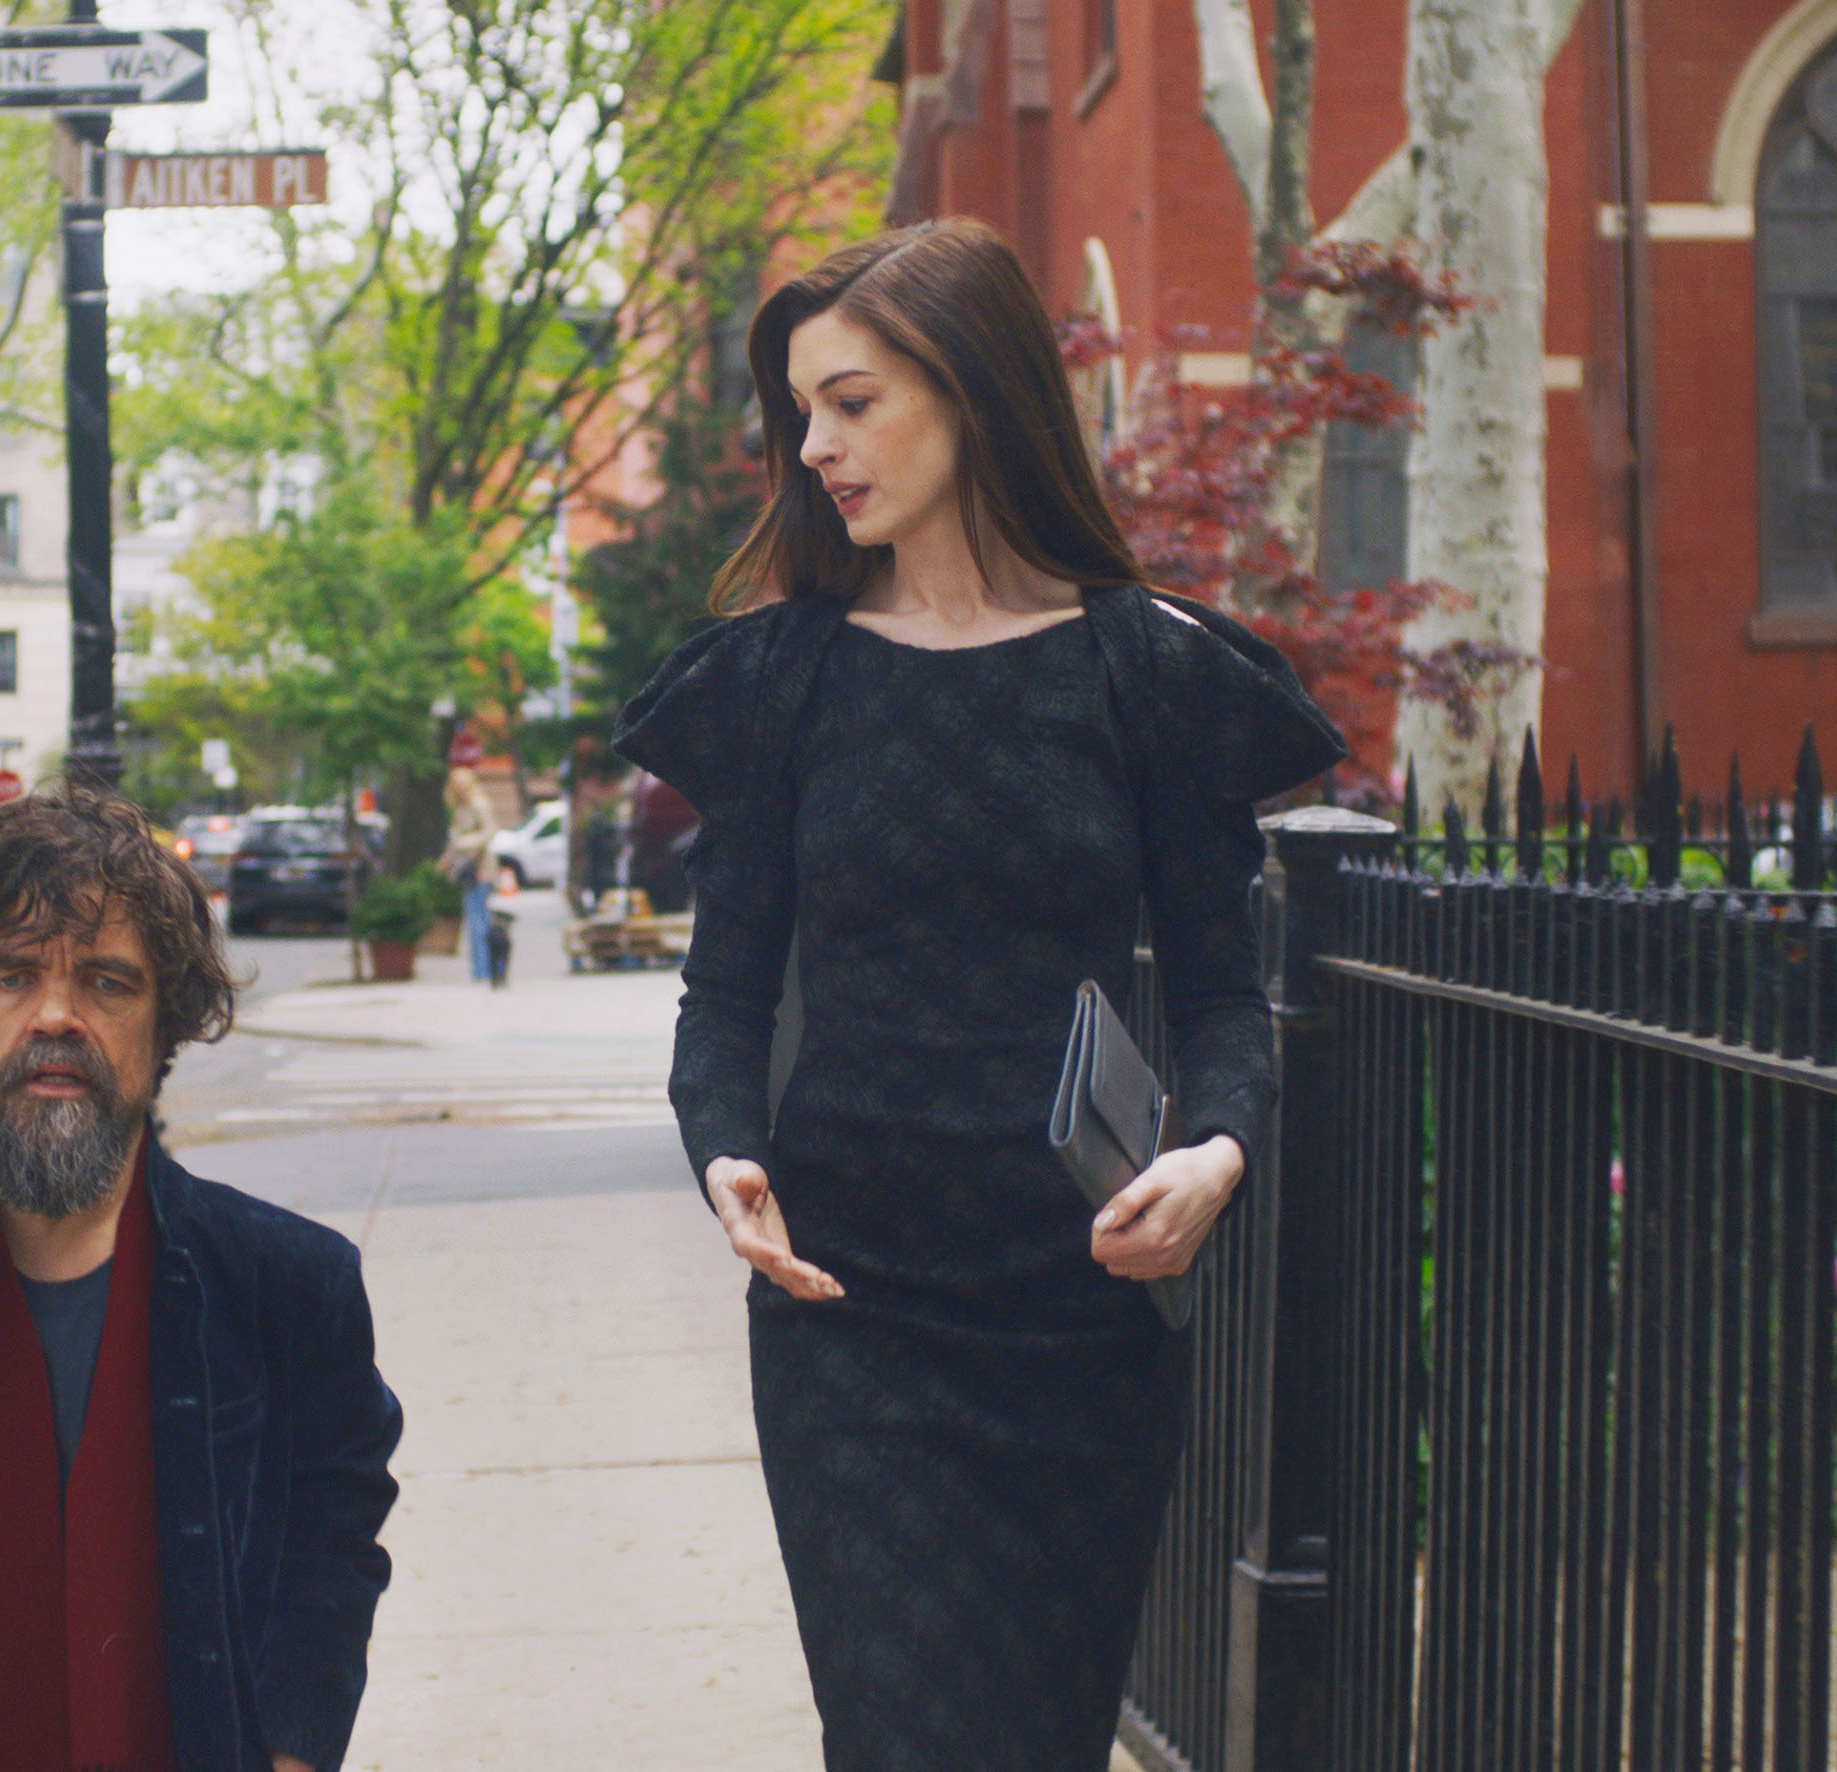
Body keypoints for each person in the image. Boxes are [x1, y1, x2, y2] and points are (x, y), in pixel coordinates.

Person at [611, 219, 1345, 1772]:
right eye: (800, 412)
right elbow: (722, 1004)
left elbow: (1224, 1000)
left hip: (1078, 1315)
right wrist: (726, 1153)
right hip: (847, 1314)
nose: (814, 448)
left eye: (852, 403)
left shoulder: (1139, 671)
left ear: (973, 390)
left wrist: (1212, 1155)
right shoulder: (785, 679)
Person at [0, 782, 404, 1772]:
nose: (56, 1014)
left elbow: (332, 1551)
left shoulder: (290, 1287)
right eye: (11, 976)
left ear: (162, 1026)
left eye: (106, 981)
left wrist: (292, 1751)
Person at [439, 765, 502, 982]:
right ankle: (479, 969)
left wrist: (466, 842)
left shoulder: (478, 804)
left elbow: (490, 831)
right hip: (467, 869)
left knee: (479, 920)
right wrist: (447, 858)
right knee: (474, 920)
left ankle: (485, 969)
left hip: (480, 867)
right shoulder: (462, 808)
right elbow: (456, 837)